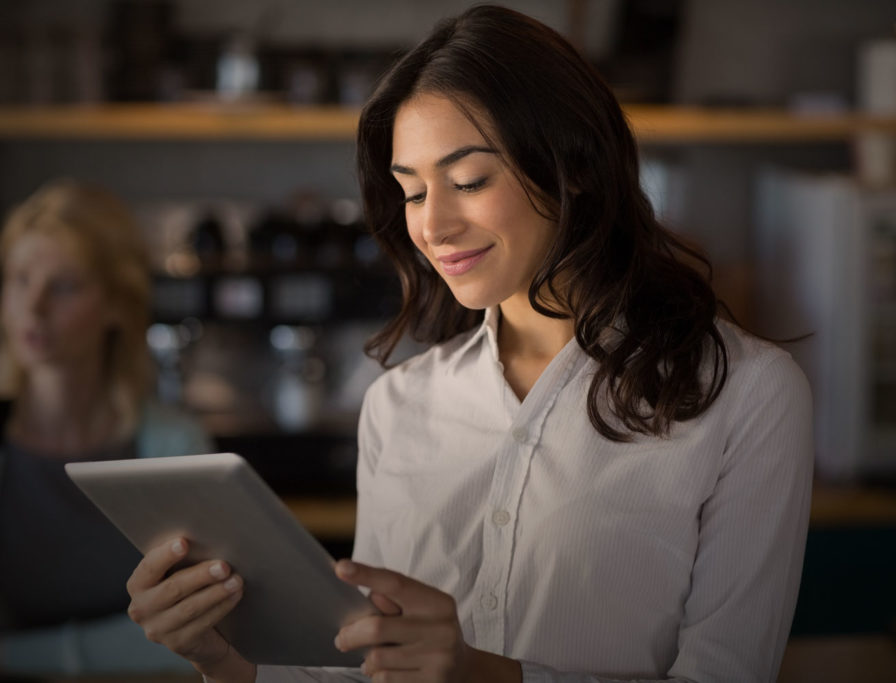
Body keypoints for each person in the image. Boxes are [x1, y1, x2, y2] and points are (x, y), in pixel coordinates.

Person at [123, 6, 813, 683]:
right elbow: (369, 666)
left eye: (468, 181)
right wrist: (227, 660)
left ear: (573, 164)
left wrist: (485, 675)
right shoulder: (397, 403)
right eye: (413, 191)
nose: (434, 225)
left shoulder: (749, 395)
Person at [0, 179, 210, 675]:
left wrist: (0, 654)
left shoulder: (175, 444)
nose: (33, 307)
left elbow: (201, 635)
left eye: (64, 286)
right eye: (20, 279)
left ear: (117, 305)